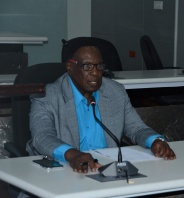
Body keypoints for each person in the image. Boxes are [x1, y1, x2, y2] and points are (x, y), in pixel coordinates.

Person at [27, 37, 176, 173]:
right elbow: (42, 137)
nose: (95, 73)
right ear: (70, 67)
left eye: (99, 66)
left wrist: (155, 141)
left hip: (105, 168)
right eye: (87, 66)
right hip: (64, 168)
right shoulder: (48, 95)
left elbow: (136, 128)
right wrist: (73, 154)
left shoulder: (115, 91)